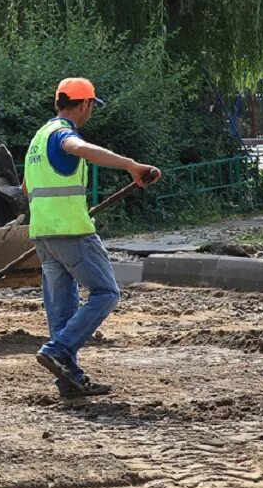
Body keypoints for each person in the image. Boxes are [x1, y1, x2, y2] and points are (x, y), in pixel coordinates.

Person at [22, 77, 161, 398]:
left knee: (62, 310)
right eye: (91, 107)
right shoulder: (61, 134)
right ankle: (57, 351)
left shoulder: (37, 140)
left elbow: (27, 188)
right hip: (72, 232)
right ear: (84, 104)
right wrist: (131, 166)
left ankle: (68, 380)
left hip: (42, 234)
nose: (90, 112)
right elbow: (79, 148)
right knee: (106, 292)